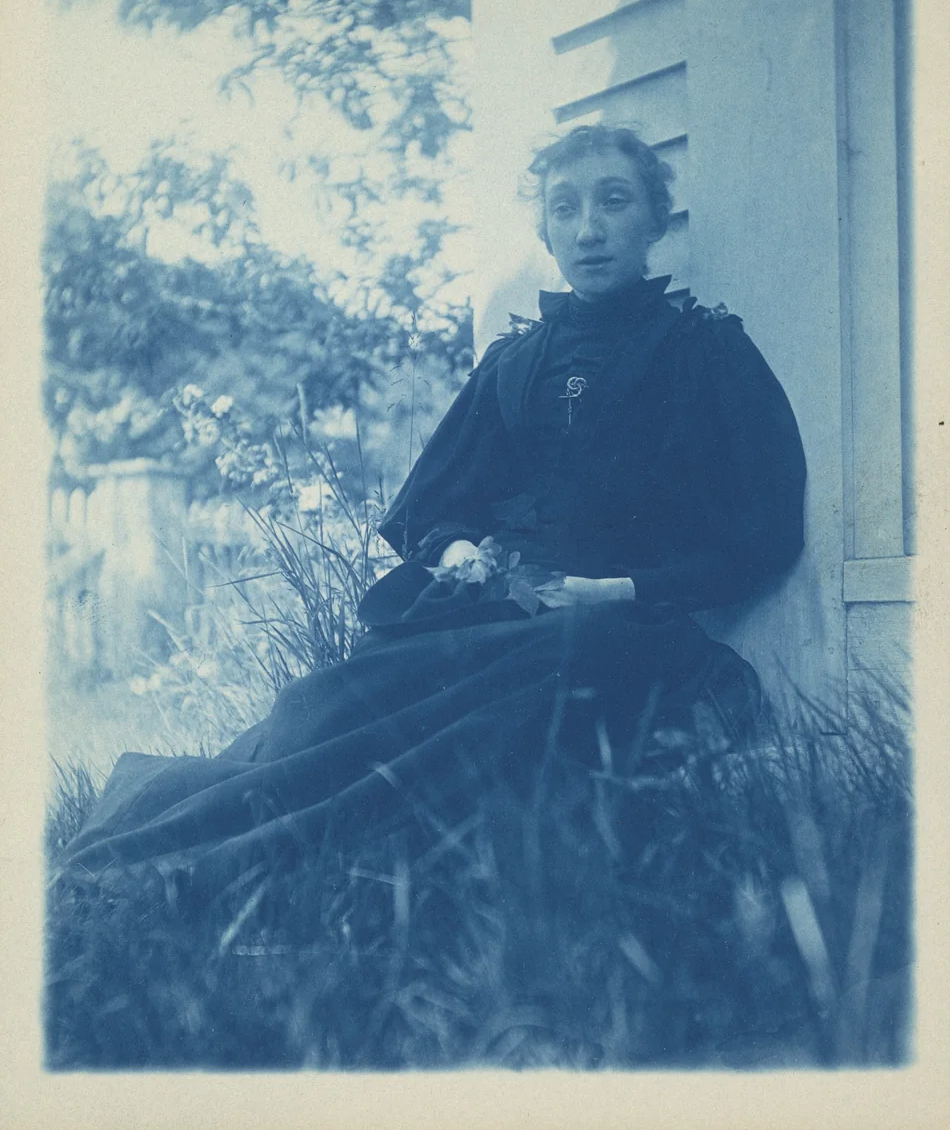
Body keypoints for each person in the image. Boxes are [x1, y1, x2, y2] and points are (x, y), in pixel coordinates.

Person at [61, 124, 807, 904]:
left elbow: (762, 534)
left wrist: (623, 589)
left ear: (654, 221)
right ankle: (208, 840)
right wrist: (457, 554)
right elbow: (437, 508)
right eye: (564, 209)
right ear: (545, 231)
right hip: (498, 610)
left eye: (614, 202)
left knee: (548, 676)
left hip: (622, 627)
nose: (588, 229)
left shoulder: (703, 349)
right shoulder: (515, 362)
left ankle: (277, 866)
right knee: (318, 703)